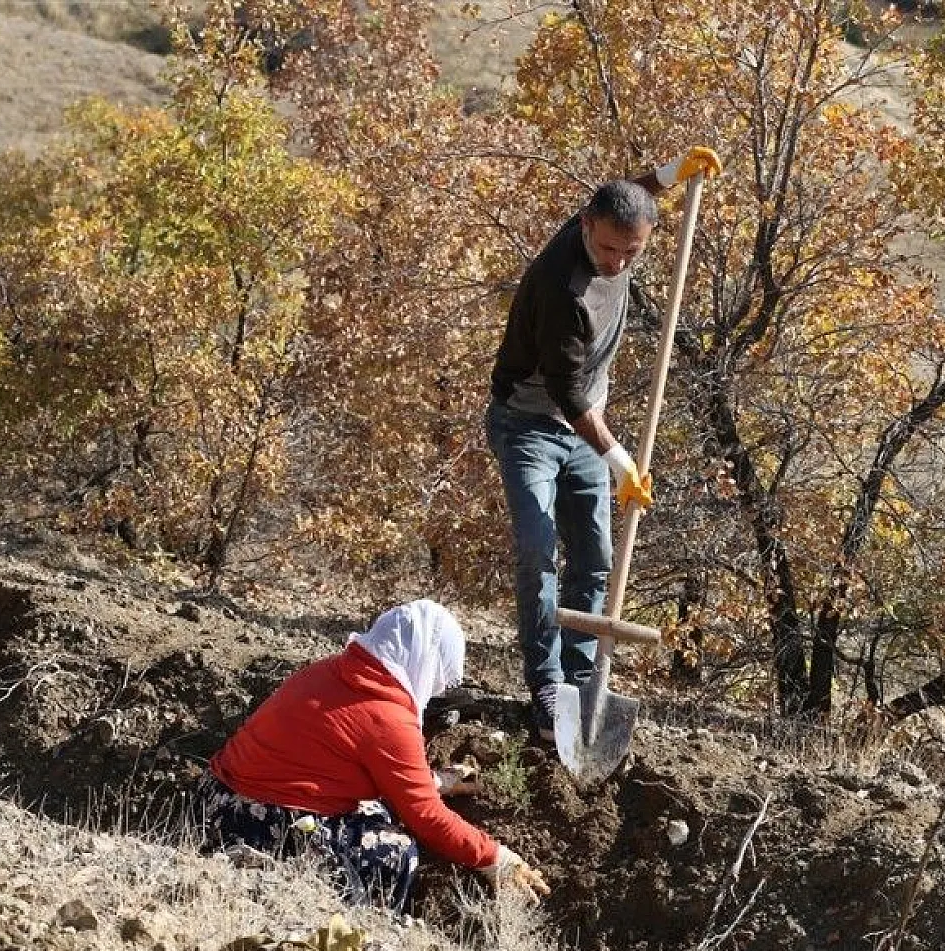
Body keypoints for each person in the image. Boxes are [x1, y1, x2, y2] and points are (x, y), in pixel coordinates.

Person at [487, 147, 722, 743]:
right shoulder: (560, 286)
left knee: (594, 556)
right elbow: (567, 394)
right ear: (586, 226)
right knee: (540, 548)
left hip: (587, 428)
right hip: (531, 426)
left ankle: (580, 676)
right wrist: (620, 460)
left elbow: (629, 195)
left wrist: (672, 175)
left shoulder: (611, 218)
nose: (617, 263)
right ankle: (544, 683)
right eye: (609, 249)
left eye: (631, 252)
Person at [201, 599, 549, 912]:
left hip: (214, 798)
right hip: (255, 826)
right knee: (396, 852)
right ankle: (363, 920)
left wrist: (437, 781)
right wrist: (496, 858)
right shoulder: (388, 718)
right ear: (424, 660)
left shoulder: (333, 670)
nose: (438, 686)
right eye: (439, 674)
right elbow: (426, 817)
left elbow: (347, 759)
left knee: (376, 808)